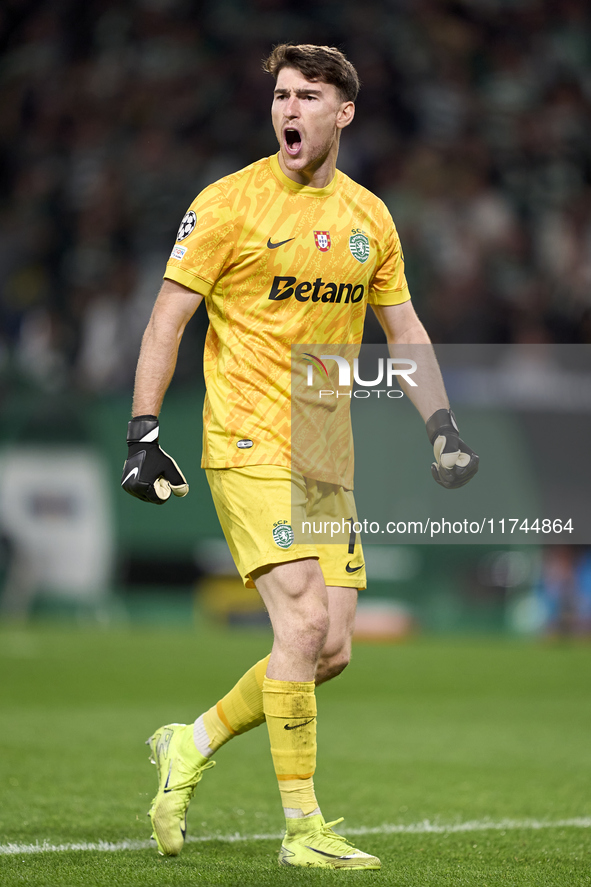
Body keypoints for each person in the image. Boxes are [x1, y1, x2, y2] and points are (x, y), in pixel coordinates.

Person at [121, 43, 478, 871]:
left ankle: (191, 738)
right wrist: (143, 433)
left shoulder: (368, 218)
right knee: (304, 619)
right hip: (244, 435)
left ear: (343, 112)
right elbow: (166, 321)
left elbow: (406, 331)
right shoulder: (226, 204)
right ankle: (302, 826)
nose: (289, 109)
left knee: (332, 649)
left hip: (322, 442)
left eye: (308, 96)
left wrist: (442, 426)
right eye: (281, 95)